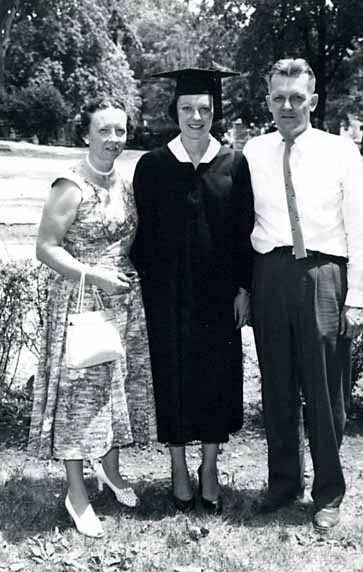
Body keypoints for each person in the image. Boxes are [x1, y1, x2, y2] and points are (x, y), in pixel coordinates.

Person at [243, 58, 363, 530]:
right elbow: (242, 225)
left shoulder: (340, 151)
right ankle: (283, 484)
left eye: (297, 97)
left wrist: (356, 294)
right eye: (278, 97)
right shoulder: (254, 152)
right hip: (270, 274)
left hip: (323, 275)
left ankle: (328, 492)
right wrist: (245, 284)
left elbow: (362, 225)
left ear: (313, 102)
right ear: (268, 101)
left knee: (325, 389)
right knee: (277, 385)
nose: (287, 105)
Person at [28, 96, 156, 538]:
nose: (113, 139)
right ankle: (76, 494)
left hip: (121, 301)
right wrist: (93, 275)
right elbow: (45, 247)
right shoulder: (71, 184)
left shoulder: (123, 181)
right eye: (104, 130)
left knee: (114, 391)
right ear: (86, 134)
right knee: (80, 400)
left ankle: (111, 470)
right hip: (81, 301)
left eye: (120, 130)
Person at [131, 68, 254, 514]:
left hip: (219, 296)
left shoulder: (234, 165)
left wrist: (244, 287)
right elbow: (140, 235)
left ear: (214, 111)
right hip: (167, 295)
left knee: (217, 376)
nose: (196, 116)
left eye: (204, 108)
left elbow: (244, 232)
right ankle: (179, 467)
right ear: (175, 111)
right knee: (174, 376)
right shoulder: (153, 165)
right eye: (187, 108)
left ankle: (210, 467)